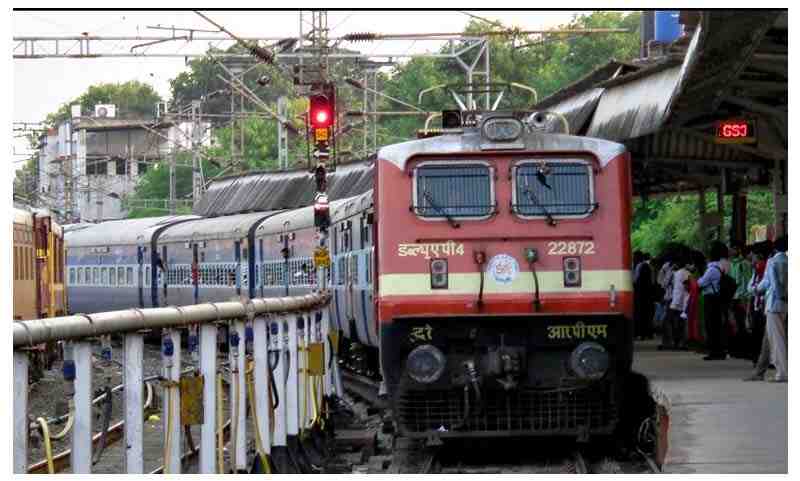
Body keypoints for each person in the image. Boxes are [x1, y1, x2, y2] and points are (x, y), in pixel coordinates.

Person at [751, 236, 788, 382]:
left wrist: (754, 289)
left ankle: (782, 373)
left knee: (777, 340)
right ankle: (780, 370)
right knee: (781, 338)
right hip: (786, 304)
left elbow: (769, 283)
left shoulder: (772, 262)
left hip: (774, 303)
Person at [697, 241, 730, 360]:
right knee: (717, 325)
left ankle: (714, 352)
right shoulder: (724, 266)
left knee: (711, 325)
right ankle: (720, 350)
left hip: (710, 298)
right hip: (719, 297)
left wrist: (699, 279)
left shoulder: (711, 269)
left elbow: (701, 282)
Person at [729, 244, 753, 358]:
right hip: (734, 297)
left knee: (743, 324)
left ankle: (745, 351)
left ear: (738, 249)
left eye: (733, 248)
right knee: (737, 324)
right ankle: (739, 350)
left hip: (741, 297)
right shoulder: (732, 263)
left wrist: (746, 297)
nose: (731, 250)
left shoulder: (744, 264)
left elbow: (747, 281)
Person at [662, 254, 691, 350]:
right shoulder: (685, 273)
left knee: (672, 322)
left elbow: (665, 285)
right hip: (678, 300)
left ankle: (675, 343)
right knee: (678, 322)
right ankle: (678, 343)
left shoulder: (680, 273)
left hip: (676, 301)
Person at [633, 251, 655, 340]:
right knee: (647, 313)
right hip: (647, 293)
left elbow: (636, 280)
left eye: (634, 256)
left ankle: (641, 333)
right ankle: (647, 333)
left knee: (641, 313)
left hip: (641, 293)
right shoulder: (648, 267)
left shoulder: (640, 266)